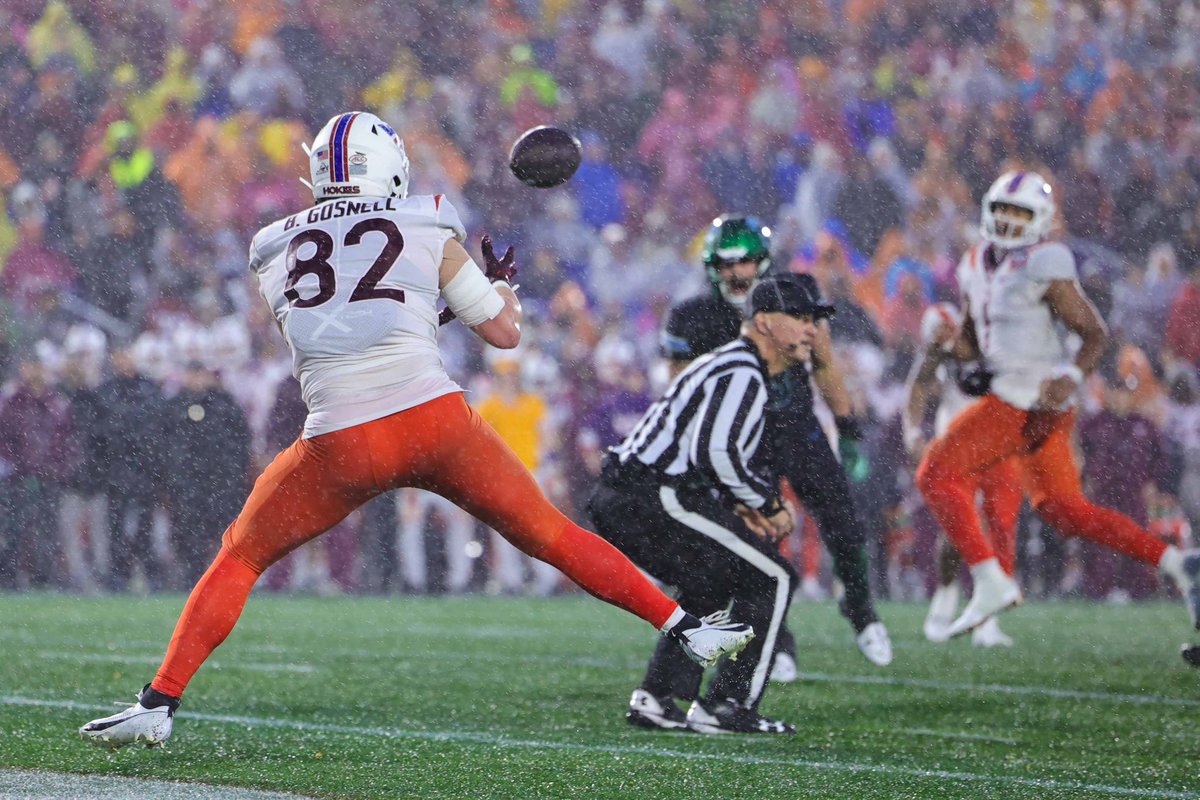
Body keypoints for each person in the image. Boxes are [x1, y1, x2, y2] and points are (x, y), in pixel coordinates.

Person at [79, 111, 754, 749]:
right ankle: (683, 627)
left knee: (241, 556)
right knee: (551, 534)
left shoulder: (273, 246)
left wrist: (449, 300)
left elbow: (355, 325)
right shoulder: (427, 220)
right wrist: (496, 289)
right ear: (389, 166)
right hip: (433, 421)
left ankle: (158, 703)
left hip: (340, 438)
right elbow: (505, 333)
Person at [916, 170, 1200, 639]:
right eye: (1002, 210)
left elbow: (1094, 334)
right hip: (1020, 402)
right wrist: (948, 345)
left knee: (936, 474)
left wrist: (1071, 374)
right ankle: (1179, 563)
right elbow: (975, 340)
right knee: (1064, 511)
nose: (1008, 220)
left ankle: (988, 580)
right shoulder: (972, 263)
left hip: (1026, 401)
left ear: (1041, 220)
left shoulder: (1044, 261)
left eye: (1020, 213)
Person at [590, 274, 826, 735]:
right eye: (799, 318)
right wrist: (767, 503)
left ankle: (658, 698)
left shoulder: (734, 364)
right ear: (764, 322)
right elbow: (715, 452)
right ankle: (728, 705)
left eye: (812, 318)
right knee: (773, 576)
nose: (811, 328)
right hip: (653, 493)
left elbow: (707, 451)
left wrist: (742, 504)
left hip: (635, 493)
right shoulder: (743, 369)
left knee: (712, 577)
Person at [660, 215, 892, 670]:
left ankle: (861, 609)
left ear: (764, 262)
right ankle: (777, 639)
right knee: (756, 546)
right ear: (710, 267)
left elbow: (824, 363)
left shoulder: (794, 295)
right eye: (726, 263)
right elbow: (678, 390)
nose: (737, 273)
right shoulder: (693, 316)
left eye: (746, 261)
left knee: (843, 523)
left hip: (795, 428)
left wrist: (847, 429)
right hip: (739, 444)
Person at [903, 303, 1020, 647]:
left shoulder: (992, 344)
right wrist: (912, 432)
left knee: (1001, 524)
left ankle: (988, 622)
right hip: (957, 442)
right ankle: (945, 601)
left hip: (996, 442)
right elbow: (918, 386)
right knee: (958, 526)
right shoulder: (939, 354)